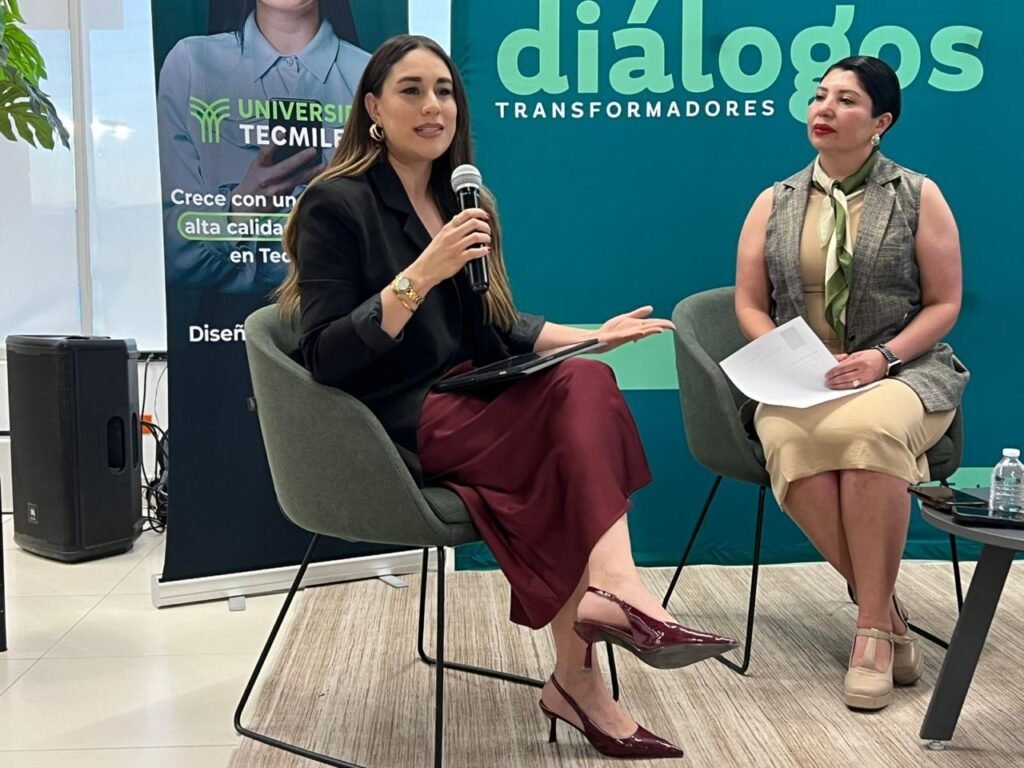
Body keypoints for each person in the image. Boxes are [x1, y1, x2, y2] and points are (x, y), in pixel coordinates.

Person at [277, 34, 736, 759]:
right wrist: (420, 273)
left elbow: (495, 325)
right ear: (373, 109)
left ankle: (599, 628)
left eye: (445, 91)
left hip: (474, 397)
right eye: (411, 90)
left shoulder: (464, 199)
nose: (434, 106)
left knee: (586, 378)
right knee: (563, 451)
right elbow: (327, 356)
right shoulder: (336, 204)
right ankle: (597, 642)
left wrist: (593, 335)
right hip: (396, 419)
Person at [734, 56, 968, 711]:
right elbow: (749, 303)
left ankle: (868, 636)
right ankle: (887, 618)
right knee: (795, 440)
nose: (824, 109)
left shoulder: (918, 195)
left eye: (845, 100)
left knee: (866, 431)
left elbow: (945, 303)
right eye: (819, 96)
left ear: (880, 121)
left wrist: (882, 357)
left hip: (903, 370)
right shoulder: (774, 201)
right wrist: (789, 359)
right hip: (802, 379)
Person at [157, 0, 371, 293]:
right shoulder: (191, 63)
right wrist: (240, 209)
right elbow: (171, 250)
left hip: (348, 309)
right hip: (221, 316)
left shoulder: (371, 75)